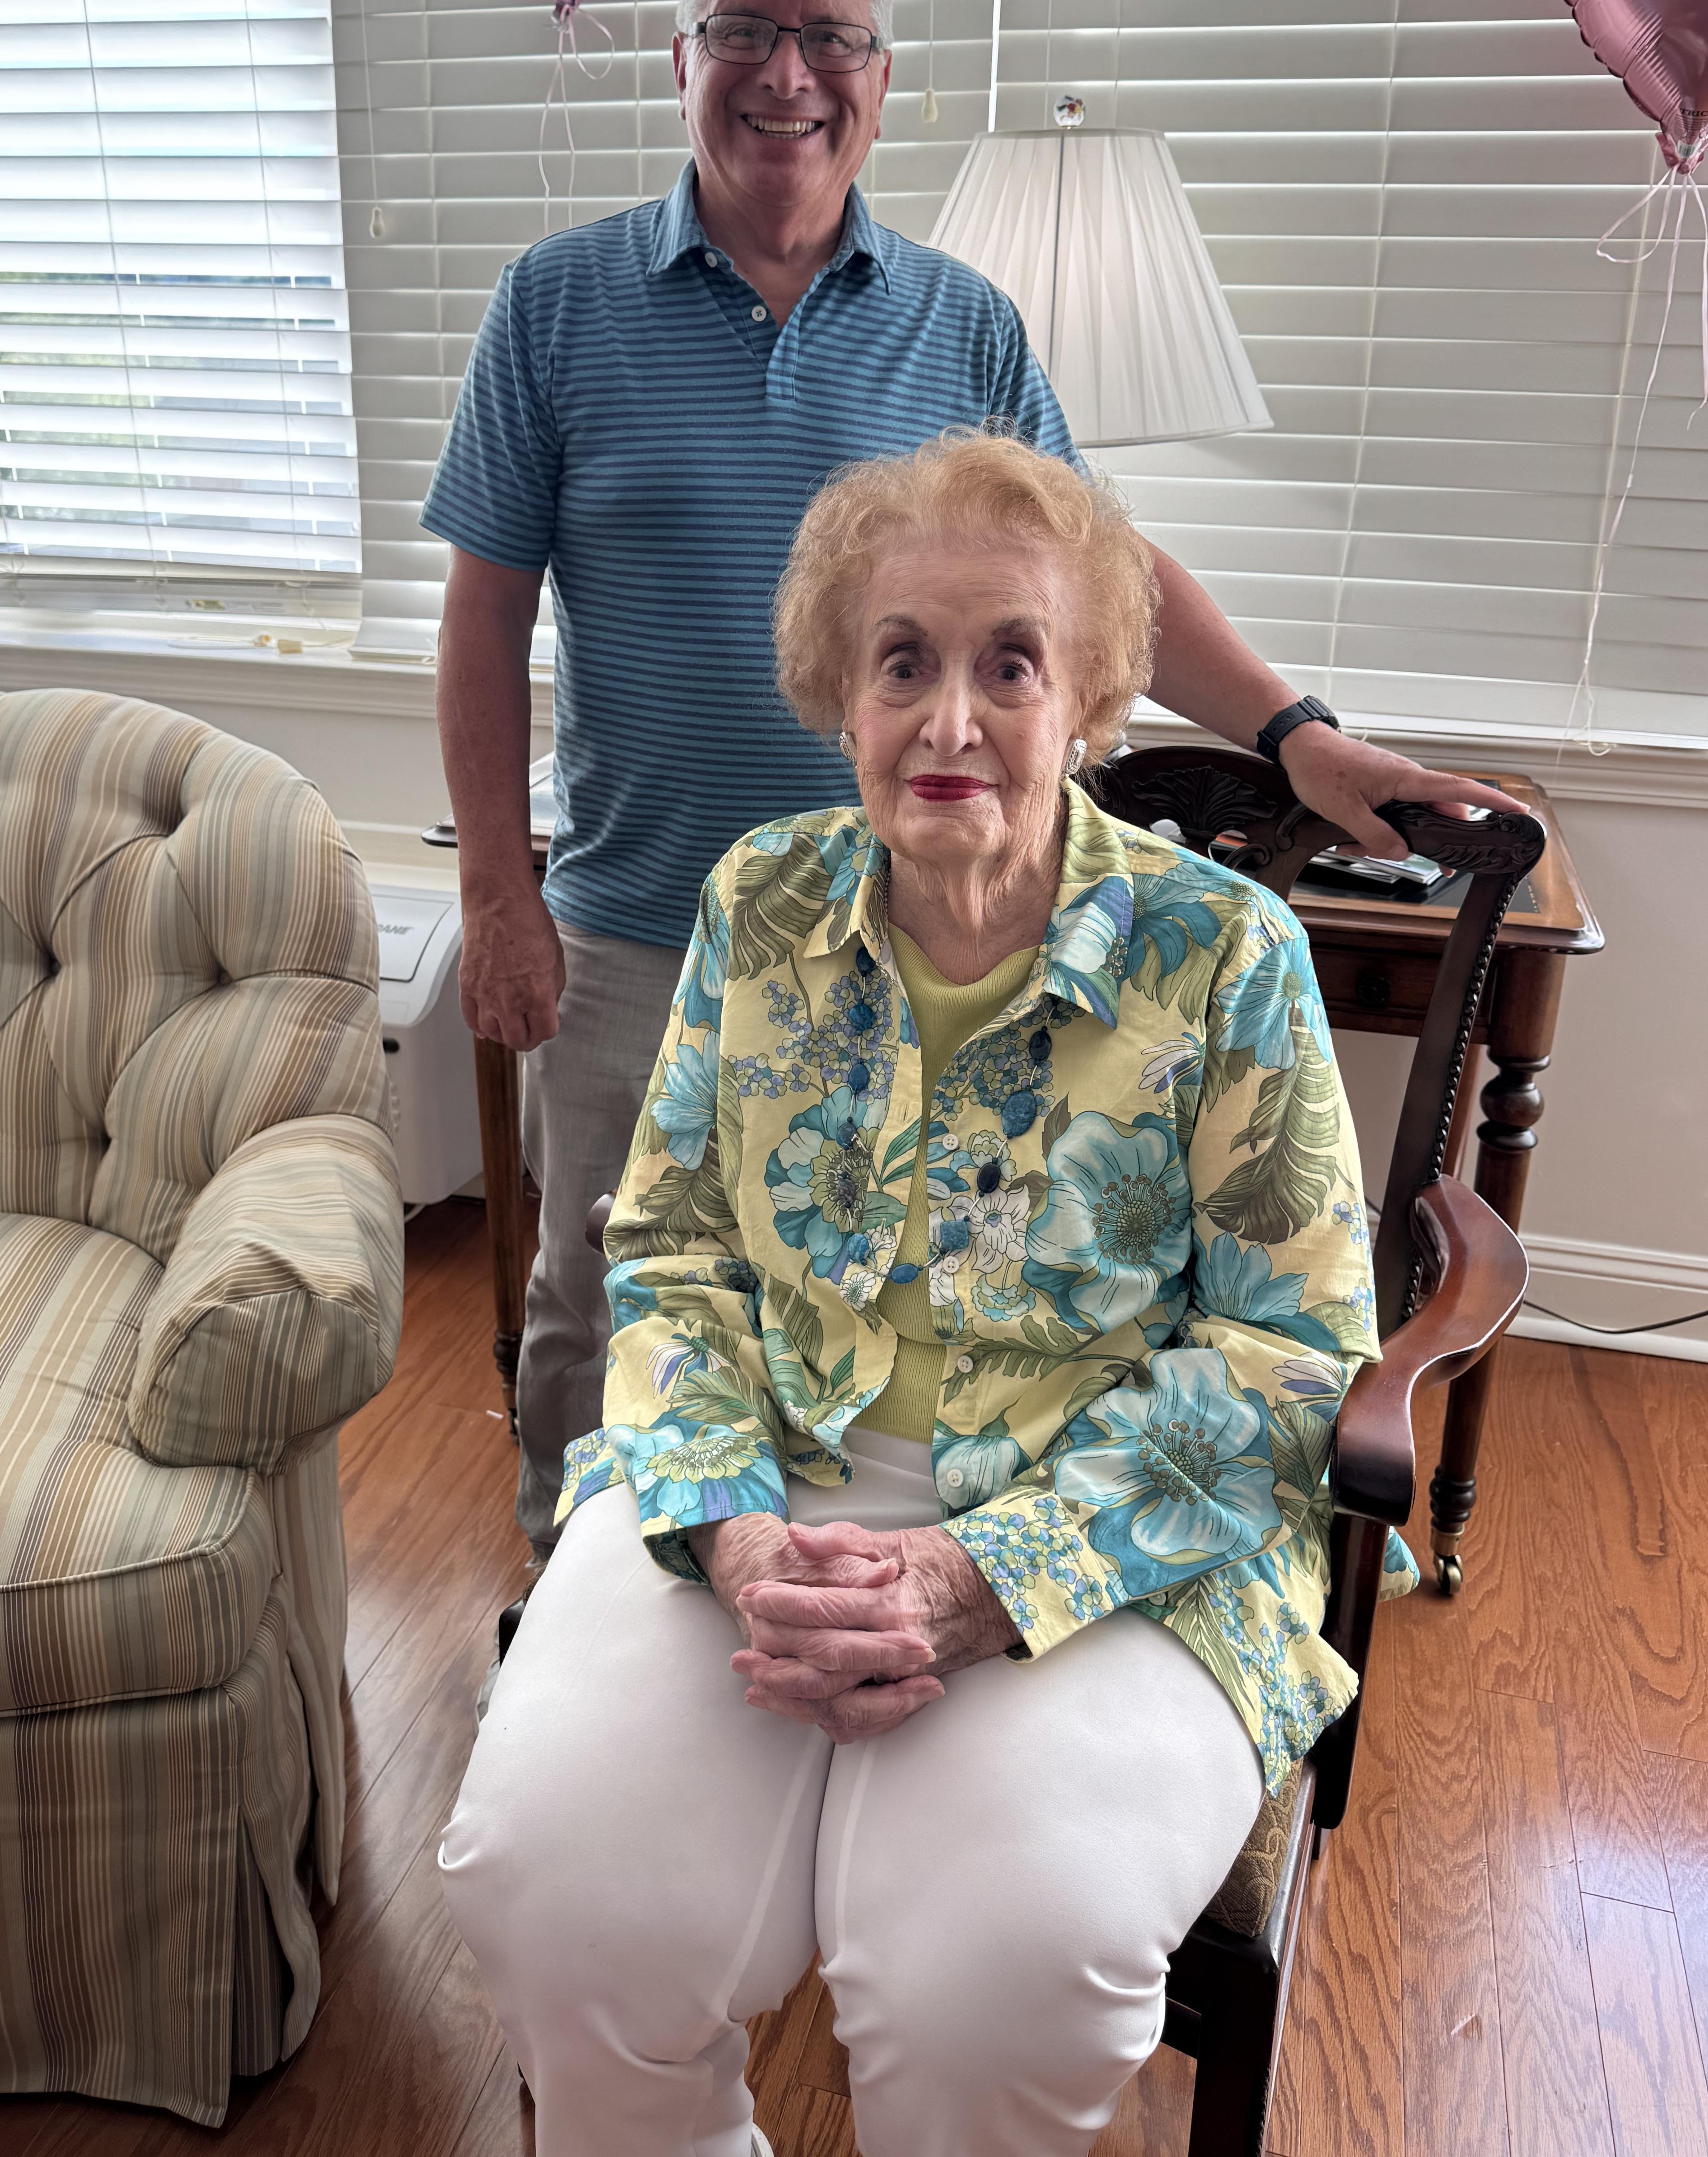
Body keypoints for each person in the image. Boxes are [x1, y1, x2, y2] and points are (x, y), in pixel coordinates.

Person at [422, 0, 1512, 1567]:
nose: (787, 75)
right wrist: (497, 894)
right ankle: (579, 1610)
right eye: (746, 30)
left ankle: (909, 1576)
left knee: (908, 1309)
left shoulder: (961, 323)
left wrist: (1295, 730)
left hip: (922, 936)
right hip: (646, 928)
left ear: (880, 74)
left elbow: (1096, 577)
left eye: (829, 39)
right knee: (607, 1296)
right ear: (683, 53)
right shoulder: (553, 306)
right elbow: (483, 617)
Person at [440, 432, 1415, 2157]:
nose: (951, 721)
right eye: (904, 661)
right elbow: (670, 1246)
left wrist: (984, 1574)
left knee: (997, 1968)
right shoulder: (761, 903)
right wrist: (737, 1535)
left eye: (1009, 664)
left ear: (1094, 699)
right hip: (768, 1471)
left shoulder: (1222, 952)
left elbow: (1287, 1355)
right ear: (840, 689)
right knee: (550, 1889)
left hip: (1096, 1517)